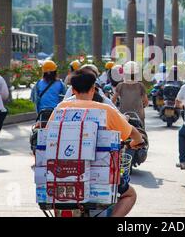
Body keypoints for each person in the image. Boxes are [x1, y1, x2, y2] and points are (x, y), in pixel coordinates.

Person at [52, 68, 144, 217]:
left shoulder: (61, 109)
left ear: (73, 90)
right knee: (130, 195)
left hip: (63, 174)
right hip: (102, 176)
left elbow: (51, 135)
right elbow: (132, 132)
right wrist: (137, 141)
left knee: (58, 196)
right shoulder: (105, 110)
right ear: (93, 89)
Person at [112, 61, 149, 126]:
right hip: (138, 116)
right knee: (141, 134)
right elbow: (146, 102)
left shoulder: (120, 85)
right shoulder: (140, 85)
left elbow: (113, 100)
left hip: (124, 116)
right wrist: (142, 106)